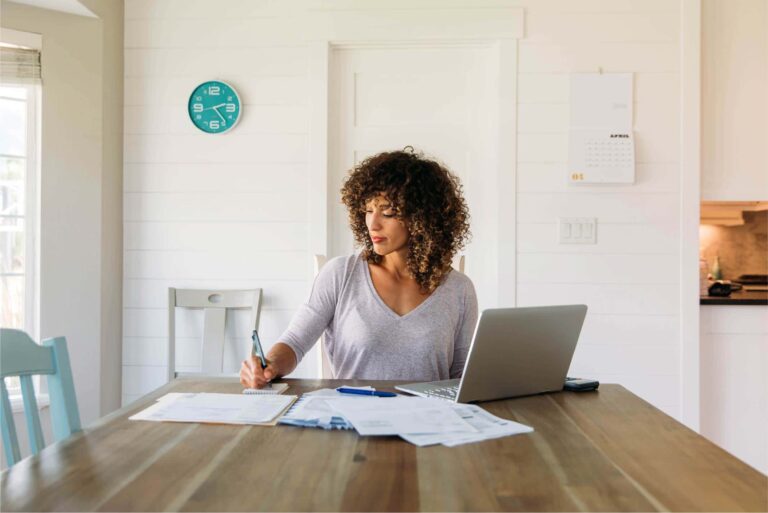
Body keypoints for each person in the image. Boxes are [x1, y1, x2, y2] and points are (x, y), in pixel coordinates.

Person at [240, 148, 478, 389]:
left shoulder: (459, 289)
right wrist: (268, 365)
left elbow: (462, 375)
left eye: (388, 213)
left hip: (430, 421)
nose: (372, 224)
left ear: (423, 219)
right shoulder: (341, 274)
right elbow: (294, 342)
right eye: (368, 211)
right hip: (352, 418)